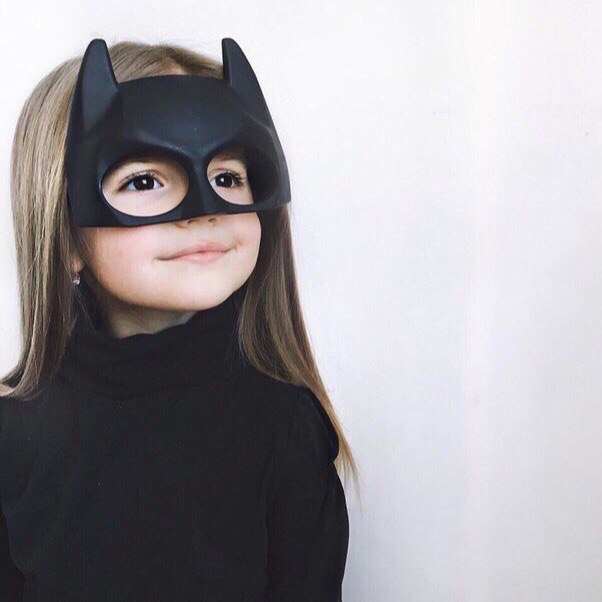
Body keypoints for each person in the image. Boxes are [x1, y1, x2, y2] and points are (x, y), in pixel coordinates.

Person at [0, 37, 358, 601]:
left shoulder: (282, 426)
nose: (203, 211)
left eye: (227, 177)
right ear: (64, 233)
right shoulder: (13, 435)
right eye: (144, 181)